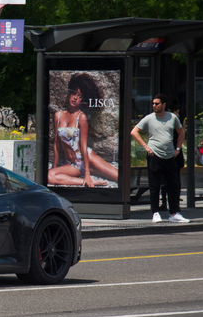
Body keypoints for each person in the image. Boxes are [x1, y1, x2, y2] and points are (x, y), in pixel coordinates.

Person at [48, 73, 119, 187]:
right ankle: (89, 182)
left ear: (82, 100)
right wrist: (55, 166)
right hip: (72, 164)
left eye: (80, 96)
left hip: (87, 158)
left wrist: (86, 174)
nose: (75, 98)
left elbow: (83, 146)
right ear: (69, 94)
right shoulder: (58, 115)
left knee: (119, 177)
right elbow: (56, 143)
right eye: (73, 94)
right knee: (49, 176)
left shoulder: (81, 117)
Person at [131, 94, 189, 223]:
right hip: (154, 155)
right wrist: (146, 147)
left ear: (164, 105)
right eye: (153, 103)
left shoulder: (172, 118)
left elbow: (181, 132)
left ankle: (174, 213)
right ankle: (155, 213)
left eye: (157, 104)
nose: (154, 106)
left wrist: (177, 149)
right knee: (154, 185)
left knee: (173, 185)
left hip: (169, 155)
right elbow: (134, 131)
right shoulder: (149, 118)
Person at [159, 98, 185, 211]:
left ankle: (164, 203)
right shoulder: (181, 119)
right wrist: (178, 149)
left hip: (167, 151)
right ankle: (175, 203)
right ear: (178, 109)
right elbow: (182, 135)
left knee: (165, 179)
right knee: (175, 179)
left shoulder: (166, 120)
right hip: (176, 152)